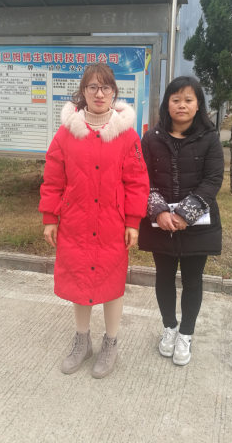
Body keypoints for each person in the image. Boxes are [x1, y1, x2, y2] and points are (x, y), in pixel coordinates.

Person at [39, 63, 149, 379]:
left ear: (114, 92)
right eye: (92, 87)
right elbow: (53, 178)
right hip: (75, 222)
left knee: (111, 282)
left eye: (105, 87)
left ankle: (110, 343)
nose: (99, 93)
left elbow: (137, 181)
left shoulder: (127, 135)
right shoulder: (66, 133)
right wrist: (50, 217)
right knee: (79, 280)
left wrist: (132, 222)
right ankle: (82, 341)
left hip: (112, 224)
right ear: (83, 92)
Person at [138, 76, 224, 366]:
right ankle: (169, 328)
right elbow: (142, 178)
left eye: (188, 99)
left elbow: (213, 180)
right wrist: (159, 211)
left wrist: (185, 214)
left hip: (198, 225)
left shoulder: (210, 138)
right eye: (176, 99)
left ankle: (186, 333)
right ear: (167, 104)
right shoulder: (151, 139)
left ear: (198, 105)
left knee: (192, 280)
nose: (182, 105)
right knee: (163, 277)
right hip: (160, 224)